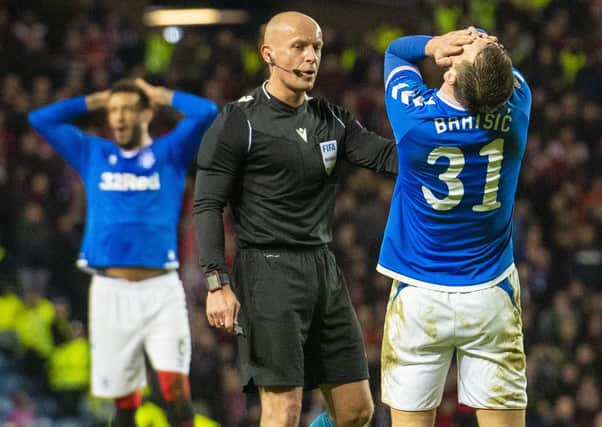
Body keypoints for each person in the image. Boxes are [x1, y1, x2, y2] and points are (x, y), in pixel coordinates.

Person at [192, 11, 397, 427]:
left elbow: (386, 157)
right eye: (299, 47)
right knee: (283, 411)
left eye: (317, 47)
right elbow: (207, 203)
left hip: (323, 268)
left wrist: (450, 132)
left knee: (357, 411)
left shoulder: (330, 118)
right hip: (267, 272)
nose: (311, 57)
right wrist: (216, 282)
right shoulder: (239, 121)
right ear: (268, 53)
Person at [28, 79, 217, 427]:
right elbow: (40, 120)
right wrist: (92, 100)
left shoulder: (169, 153)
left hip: (161, 290)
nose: (119, 117)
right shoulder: (93, 153)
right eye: (114, 110)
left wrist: (162, 95)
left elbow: (206, 112)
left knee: (176, 392)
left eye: (128, 108)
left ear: (146, 113)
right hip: (109, 291)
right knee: (125, 404)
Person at [377, 28, 531, 427]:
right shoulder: (517, 110)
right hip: (490, 294)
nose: (478, 36)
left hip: (418, 295)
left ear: (448, 75)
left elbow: (396, 53)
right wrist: (480, 54)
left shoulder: (415, 122)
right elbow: (503, 79)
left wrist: (431, 45)